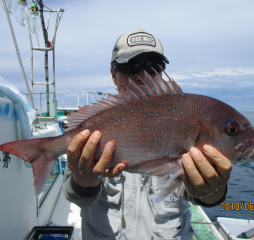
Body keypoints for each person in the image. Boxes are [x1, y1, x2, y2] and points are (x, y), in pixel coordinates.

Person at [63, 28, 232, 240]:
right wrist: (83, 178)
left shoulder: (184, 117)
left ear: (162, 71)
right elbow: (77, 198)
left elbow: (195, 193)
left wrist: (213, 190)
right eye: (130, 66)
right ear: (113, 75)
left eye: (153, 67)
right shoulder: (96, 125)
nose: (142, 75)